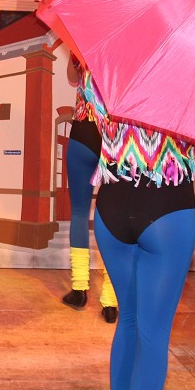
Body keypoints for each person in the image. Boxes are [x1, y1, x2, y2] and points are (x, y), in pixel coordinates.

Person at [82, 68, 195, 390]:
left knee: (130, 320)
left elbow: (94, 114)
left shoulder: (102, 67)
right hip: (166, 203)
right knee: (153, 334)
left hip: (112, 204)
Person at [62, 56, 117, 322]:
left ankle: (80, 288)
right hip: (114, 136)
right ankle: (110, 300)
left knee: (80, 213)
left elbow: (73, 77)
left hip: (84, 131)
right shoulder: (132, 44)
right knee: (113, 217)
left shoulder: (84, 37)